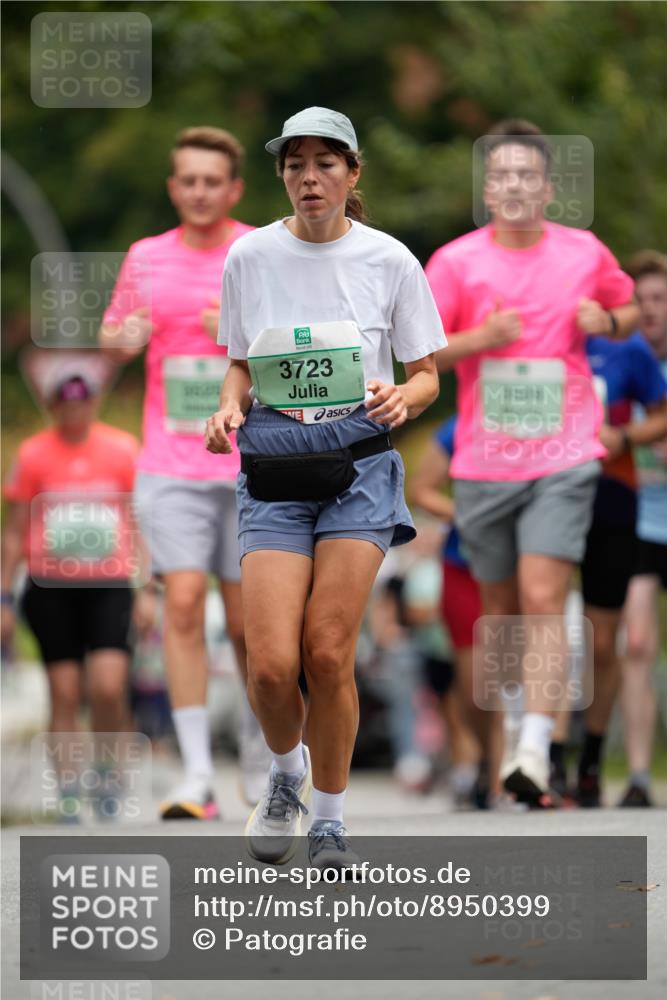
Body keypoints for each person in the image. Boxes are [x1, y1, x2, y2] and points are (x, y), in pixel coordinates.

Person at [206, 107, 445, 868]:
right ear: (281, 174)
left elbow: (427, 375)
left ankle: (331, 819)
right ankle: (285, 776)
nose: (309, 177)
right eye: (295, 163)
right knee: (271, 663)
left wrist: (403, 400)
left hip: (359, 470)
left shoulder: (390, 260)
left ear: (352, 173)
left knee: (329, 648)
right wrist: (226, 406)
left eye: (325, 163)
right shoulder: (250, 255)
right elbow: (241, 361)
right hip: (274, 468)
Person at [425, 119, 638, 805]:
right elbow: (418, 356)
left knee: (545, 595)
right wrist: (481, 337)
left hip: (564, 453)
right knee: (500, 609)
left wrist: (604, 323)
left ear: (546, 188)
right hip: (484, 461)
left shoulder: (582, 252)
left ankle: (533, 746)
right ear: (486, 189)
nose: (513, 185)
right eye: (501, 175)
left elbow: (629, 307)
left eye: (526, 175)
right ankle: (517, 726)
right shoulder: (455, 262)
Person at [99, 126, 268, 819]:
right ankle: (197, 774)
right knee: (181, 605)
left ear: (233, 189)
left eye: (212, 181)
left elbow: (295, 345)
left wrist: (235, 329)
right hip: (169, 461)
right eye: (187, 181)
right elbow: (110, 341)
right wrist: (121, 339)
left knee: (252, 621)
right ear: (173, 188)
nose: (199, 192)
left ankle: (264, 768)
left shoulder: (257, 250)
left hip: (249, 462)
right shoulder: (146, 257)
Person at [1, 369, 141, 819]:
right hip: (50, 585)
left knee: (107, 686)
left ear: (94, 403)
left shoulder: (121, 449)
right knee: (63, 692)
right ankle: (67, 790)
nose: (75, 412)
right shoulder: (33, 454)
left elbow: (140, 520)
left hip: (108, 583)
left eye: (84, 402)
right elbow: (14, 531)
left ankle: (107, 773)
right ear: (54, 406)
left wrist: (152, 587)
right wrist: (3, 596)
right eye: (66, 404)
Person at [556, 321, 667, 806]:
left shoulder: (629, 350)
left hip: (615, 501)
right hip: (544, 493)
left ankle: (592, 760)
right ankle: (541, 757)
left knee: (605, 643)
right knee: (540, 623)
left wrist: (621, 436)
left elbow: (661, 414)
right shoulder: (537, 336)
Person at [410, 414, 502, 808]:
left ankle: (502, 781)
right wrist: (465, 516)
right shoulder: (457, 428)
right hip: (464, 566)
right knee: (474, 685)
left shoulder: (544, 421)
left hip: (517, 564)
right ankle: (483, 762)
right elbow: (422, 490)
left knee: (510, 674)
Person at [619, 251, 667, 806]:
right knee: (636, 644)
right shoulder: (619, 360)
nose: (650, 310)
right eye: (641, 300)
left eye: (659, 300)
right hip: (638, 520)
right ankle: (636, 775)